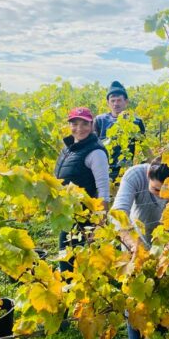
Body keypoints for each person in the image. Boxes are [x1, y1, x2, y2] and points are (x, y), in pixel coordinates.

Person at [110, 157, 169, 339]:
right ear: (147, 176)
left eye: (167, 192)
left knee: (163, 301)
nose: (161, 196)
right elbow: (118, 214)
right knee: (136, 305)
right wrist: (133, 246)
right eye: (157, 190)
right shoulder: (134, 175)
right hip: (135, 246)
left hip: (167, 246)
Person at [54, 107, 110, 273]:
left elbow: (103, 188)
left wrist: (100, 221)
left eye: (85, 124)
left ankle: (74, 288)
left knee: (68, 255)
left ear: (92, 125)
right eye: (75, 123)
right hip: (68, 211)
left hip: (83, 215)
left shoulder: (96, 152)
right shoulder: (70, 147)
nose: (79, 128)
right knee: (70, 254)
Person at [93, 81, 145, 182]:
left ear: (126, 101)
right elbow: (92, 147)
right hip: (103, 171)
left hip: (127, 172)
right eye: (112, 101)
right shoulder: (100, 120)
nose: (115, 104)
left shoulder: (136, 121)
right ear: (108, 102)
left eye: (119, 100)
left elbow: (144, 148)